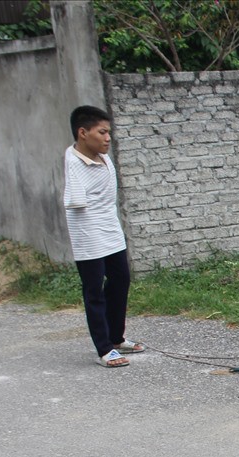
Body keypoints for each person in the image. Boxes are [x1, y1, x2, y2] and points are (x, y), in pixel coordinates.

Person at [63, 105, 143, 368]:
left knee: (121, 280)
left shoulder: (104, 157)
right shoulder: (73, 162)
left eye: (109, 132)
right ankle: (104, 348)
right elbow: (75, 202)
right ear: (83, 133)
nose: (108, 138)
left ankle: (116, 338)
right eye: (102, 132)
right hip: (87, 235)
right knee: (94, 291)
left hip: (110, 230)